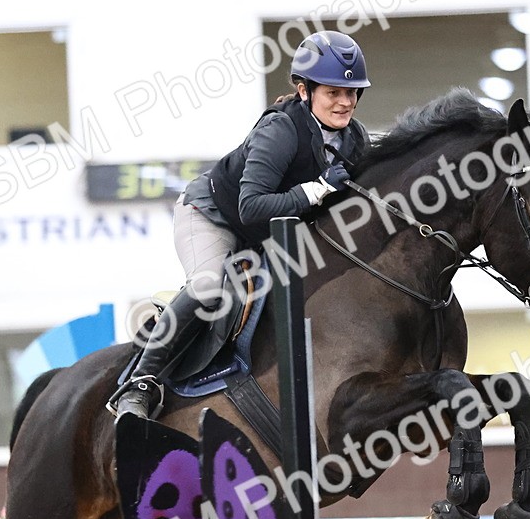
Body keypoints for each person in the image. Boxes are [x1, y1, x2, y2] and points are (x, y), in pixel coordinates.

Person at [112, 30, 372, 419]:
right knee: (206, 287)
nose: (345, 101)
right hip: (214, 216)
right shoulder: (280, 130)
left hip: (268, 236)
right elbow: (251, 207)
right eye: (333, 92)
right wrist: (315, 190)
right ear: (305, 91)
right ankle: (140, 384)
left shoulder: (355, 140)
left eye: (351, 93)